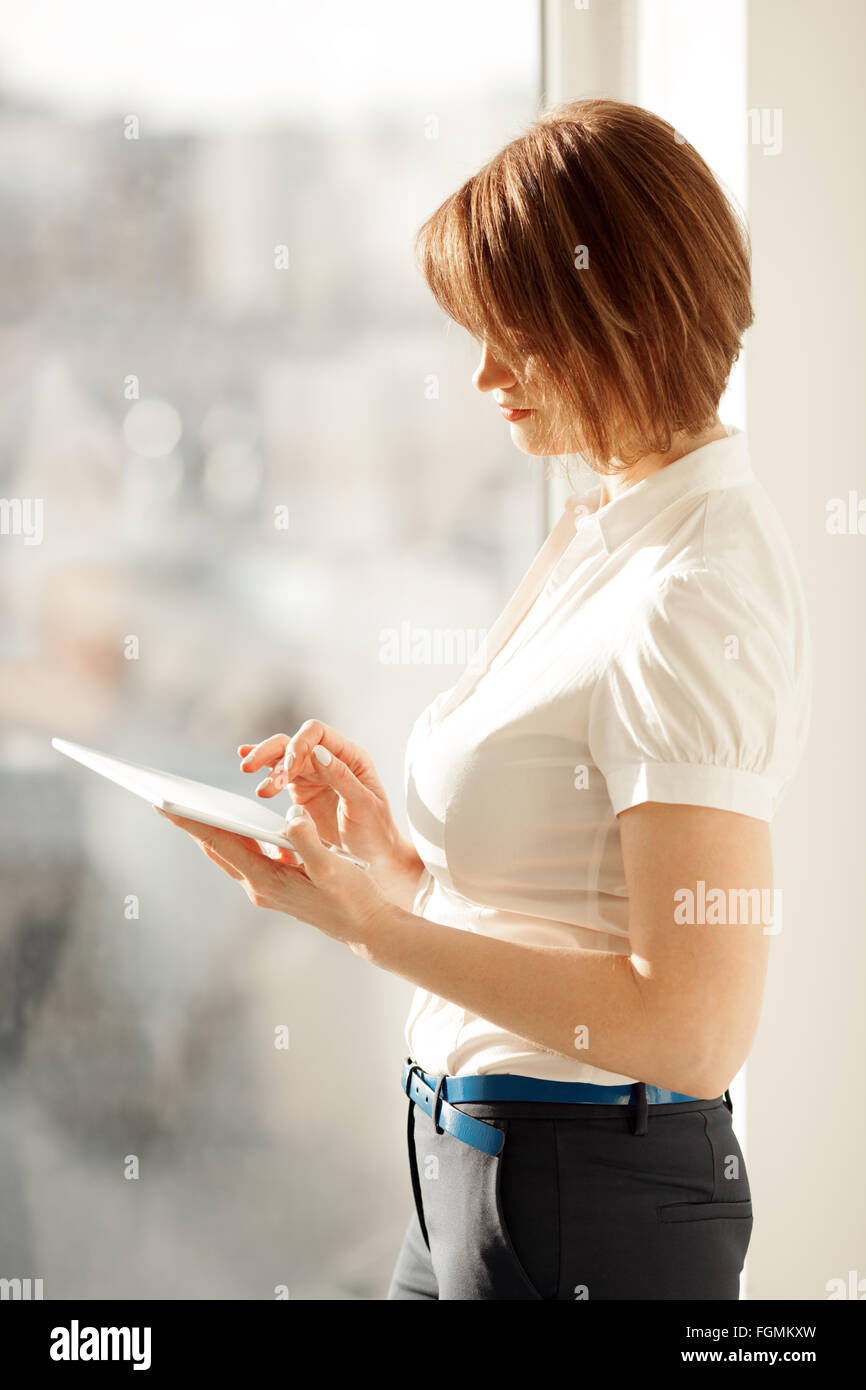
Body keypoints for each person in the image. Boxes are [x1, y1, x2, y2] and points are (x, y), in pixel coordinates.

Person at [156, 99, 812, 1300]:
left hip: (581, 1203)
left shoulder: (694, 587)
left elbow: (692, 1030)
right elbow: (560, 911)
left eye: (516, 334)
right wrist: (395, 867)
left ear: (620, 318)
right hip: (472, 1165)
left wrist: (372, 926)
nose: (483, 374)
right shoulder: (605, 529)